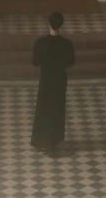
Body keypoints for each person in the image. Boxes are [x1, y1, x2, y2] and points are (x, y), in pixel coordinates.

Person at [31, 12, 75, 151]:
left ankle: (40, 138)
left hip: (46, 78)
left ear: (49, 23)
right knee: (57, 107)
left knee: (43, 107)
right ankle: (54, 138)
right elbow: (70, 62)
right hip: (60, 78)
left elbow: (35, 62)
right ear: (61, 25)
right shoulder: (67, 44)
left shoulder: (41, 43)